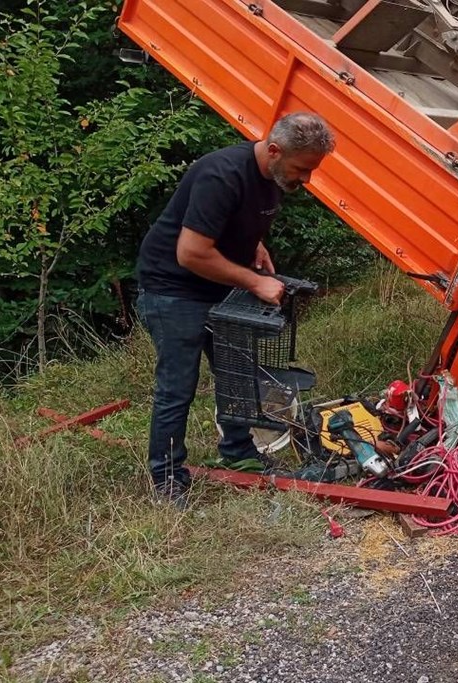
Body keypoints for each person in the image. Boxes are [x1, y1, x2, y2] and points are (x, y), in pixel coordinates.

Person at [135, 112, 335, 505]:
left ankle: (239, 452)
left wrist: (253, 244)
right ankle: (167, 478)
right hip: (173, 289)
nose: (307, 179)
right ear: (274, 151)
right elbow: (191, 252)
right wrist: (255, 282)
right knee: (177, 387)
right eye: (301, 169)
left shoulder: (274, 177)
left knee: (237, 375)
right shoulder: (221, 175)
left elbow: (231, 219)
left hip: (221, 288)